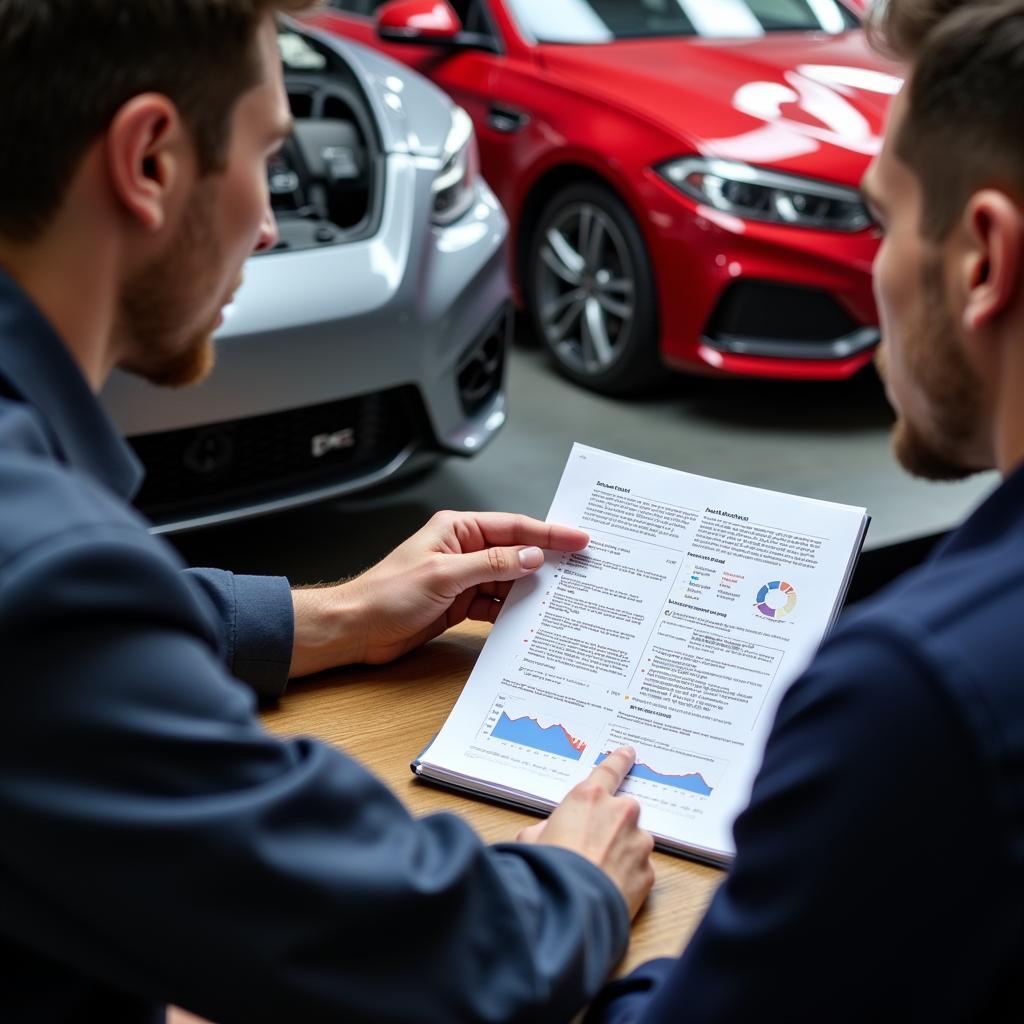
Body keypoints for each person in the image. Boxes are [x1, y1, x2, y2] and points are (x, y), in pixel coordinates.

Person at [0, 2, 656, 1021]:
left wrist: (341, 614)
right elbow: (404, 952)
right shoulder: (43, 561)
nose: (268, 226)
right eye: (266, 152)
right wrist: (573, 883)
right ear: (151, 163)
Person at [585, 2, 1024, 1021]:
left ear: (981, 263)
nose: (873, 267)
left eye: (879, 219)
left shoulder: (913, 695)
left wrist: (561, 916)